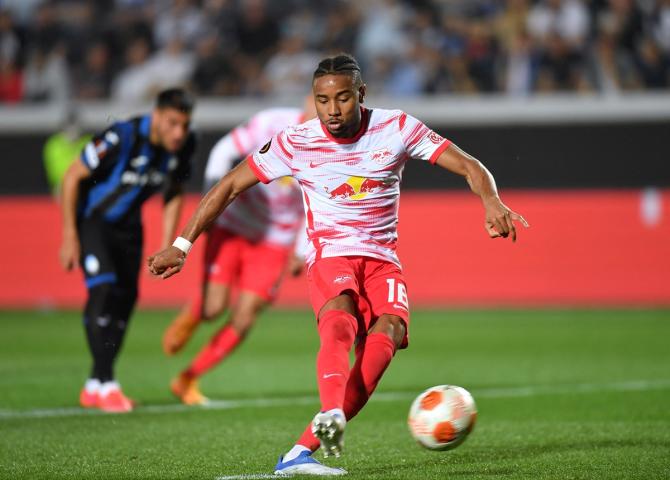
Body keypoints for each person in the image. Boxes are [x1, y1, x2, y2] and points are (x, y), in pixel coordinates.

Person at [148, 54, 528, 475]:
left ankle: (299, 452)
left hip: (383, 259)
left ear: (361, 95)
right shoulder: (297, 141)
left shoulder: (397, 128)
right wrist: (181, 245)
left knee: (389, 334)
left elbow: (467, 164)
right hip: (331, 254)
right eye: (323, 100)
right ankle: (331, 411)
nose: (332, 110)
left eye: (343, 99)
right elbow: (231, 184)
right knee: (340, 319)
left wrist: (491, 200)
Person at [163, 100, 316, 406]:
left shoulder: (335, 148)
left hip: (276, 238)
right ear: (309, 101)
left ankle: (188, 378)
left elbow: (318, 202)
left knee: (245, 318)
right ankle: (195, 314)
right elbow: (223, 149)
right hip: (233, 223)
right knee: (214, 308)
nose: (329, 111)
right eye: (321, 101)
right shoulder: (271, 121)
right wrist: (212, 194)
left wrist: (301, 248)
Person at [60, 88, 196, 413]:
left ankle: (94, 384)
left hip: (129, 230)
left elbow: (174, 192)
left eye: (185, 125)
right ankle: (108, 383)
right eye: (173, 123)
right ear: (158, 116)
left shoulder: (183, 147)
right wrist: (69, 234)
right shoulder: (120, 136)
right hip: (94, 222)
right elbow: (72, 176)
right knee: (103, 291)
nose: (179, 133)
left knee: (125, 303)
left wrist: (169, 245)